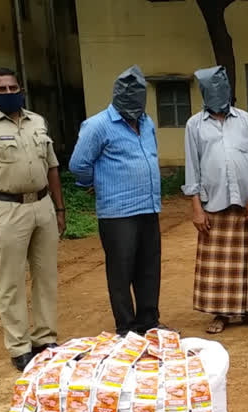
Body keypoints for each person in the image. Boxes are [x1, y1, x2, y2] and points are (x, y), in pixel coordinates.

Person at [0, 68, 65, 371]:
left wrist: (60, 210)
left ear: (20, 89)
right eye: (2, 89)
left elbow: (52, 167)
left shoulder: (37, 121)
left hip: (42, 206)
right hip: (5, 210)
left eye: (13, 88)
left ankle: (45, 339)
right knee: (10, 283)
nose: (9, 93)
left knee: (46, 276)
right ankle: (19, 346)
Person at [69, 65, 165, 336]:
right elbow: (78, 164)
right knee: (121, 271)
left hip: (148, 206)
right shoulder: (98, 125)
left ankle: (149, 322)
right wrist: (93, 183)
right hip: (117, 211)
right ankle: (127, 327)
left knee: (149, 267)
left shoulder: (147, 123)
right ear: (117, 96)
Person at [182, 65, 248, 334]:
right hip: (212, 202)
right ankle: (220, 313)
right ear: (204, 93)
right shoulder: (194, 125)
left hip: (244, 202)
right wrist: (197, 208)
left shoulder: (244, 120)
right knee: (216, 267)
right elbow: (192, 167)